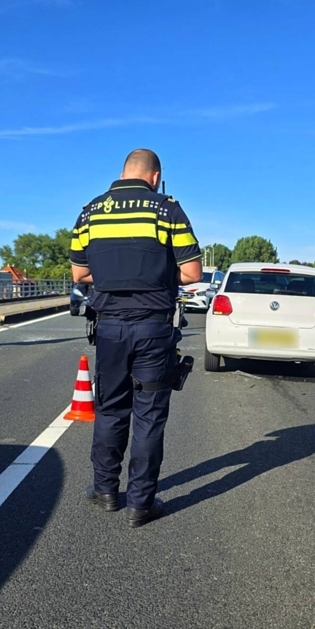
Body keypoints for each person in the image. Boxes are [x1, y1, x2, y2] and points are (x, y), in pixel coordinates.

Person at [69, 149, 202, 527]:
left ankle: (106, 490)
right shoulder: (166, 210)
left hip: (109, 327)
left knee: (110, 409)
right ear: (155, 176)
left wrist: (115, 276)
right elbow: (192, 273)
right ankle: (140, 504)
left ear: (124, 172)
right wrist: (153, 275)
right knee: (149, 415)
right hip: (154, 328)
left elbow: (80, 274)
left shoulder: (90, 211)